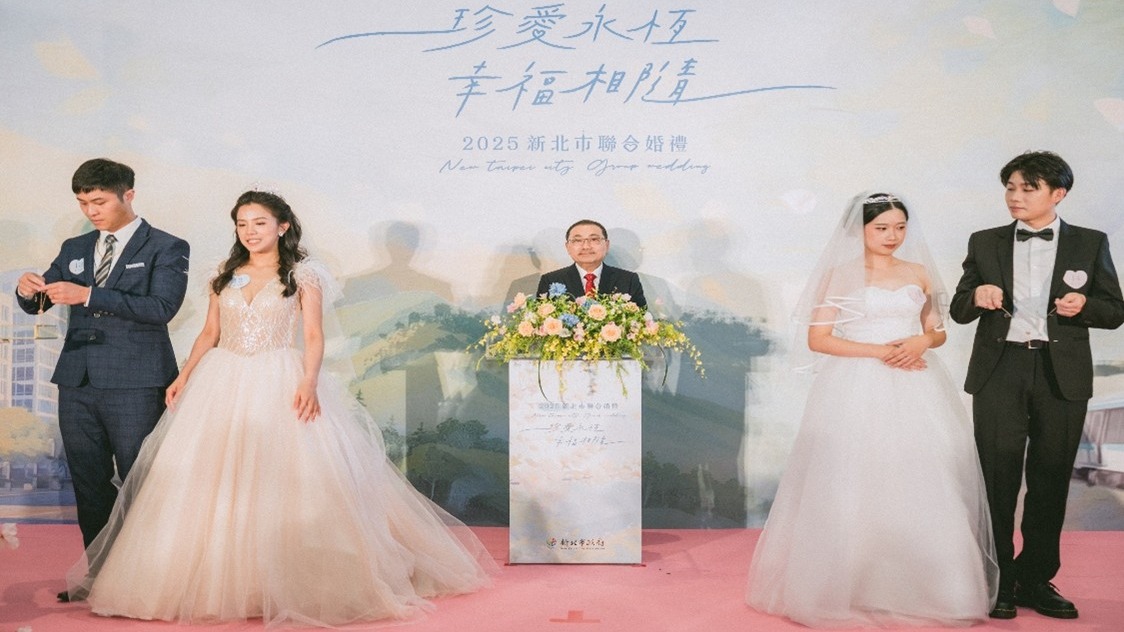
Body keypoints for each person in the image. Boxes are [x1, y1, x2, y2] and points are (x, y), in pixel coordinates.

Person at [65, 191, 494, 627]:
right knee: (210, 485)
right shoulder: (223, 273)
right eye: (242, 224)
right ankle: (224, 581)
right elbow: (209, 332)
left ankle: (288, 580)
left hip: (279, 379)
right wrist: (185, 374)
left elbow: (314, 335)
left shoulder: (302, 274)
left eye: (259, 223)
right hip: (222, 379)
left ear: (282, 226)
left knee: (287, 482)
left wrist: (308, 381)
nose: (250, 232)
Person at [747, 193, 998, 627]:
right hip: (856, 385)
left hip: (917, 382)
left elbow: (936, 332)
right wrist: (881, 352)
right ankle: (849, 583)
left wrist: (922, 341)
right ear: (859, 230)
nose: (892, 236)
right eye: (881, 228)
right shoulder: (840, 275)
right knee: (853, 478)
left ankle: (932, 587)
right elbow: (819, 339)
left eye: (899, 227)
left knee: (923, 476)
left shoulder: (918, 272)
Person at [950, 151, 1124, 620]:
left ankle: (1035, 578)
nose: (1015, 196)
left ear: (1058, 193)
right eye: (1010, 187)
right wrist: (977, 295)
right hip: (999, 369)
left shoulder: (1090, 242)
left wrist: (1083, 307)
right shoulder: (984, 241)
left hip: (1059, 373)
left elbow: (1114, 310)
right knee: (997, 478)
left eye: (1028, 188)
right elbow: (959, 308)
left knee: (1050, 479)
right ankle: (997, 579)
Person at [14, 158, 189, 567]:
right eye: (82, 203)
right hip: (77, 382)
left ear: (128, 195)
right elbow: (41, 302)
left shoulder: (167, 246)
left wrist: (90, 295)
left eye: (99, 201)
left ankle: (148, 574)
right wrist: (27, 291)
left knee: (140, 480)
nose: (90, 211)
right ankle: (98, 573)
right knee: (88, 482)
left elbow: (162, 308)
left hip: (137, 382)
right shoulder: (74, 248)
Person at [536, 219, 646, 307]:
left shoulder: (628, 280)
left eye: (594, 239)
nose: (586, 246)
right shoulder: (550, 280)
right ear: (568, 247)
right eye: (577, 240)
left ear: (606, 245)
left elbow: (641, 321)